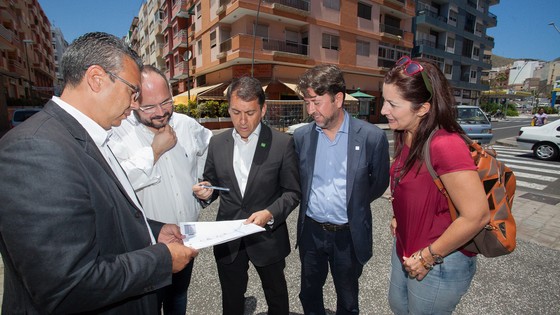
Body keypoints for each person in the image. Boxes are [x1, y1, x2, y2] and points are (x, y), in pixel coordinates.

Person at [0, 32, 198, 314]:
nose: (134, 105)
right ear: (96, 79)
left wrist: (154, 230)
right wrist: (161, 259)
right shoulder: (36, 148)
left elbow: (104, 216)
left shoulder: (90, 136)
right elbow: (67, 285)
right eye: (132, 92)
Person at [381, 55, 490, 314]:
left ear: (423, 108)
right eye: (384, 100)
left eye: (392, 104)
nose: (384, 110)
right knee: (398, 307)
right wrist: (400, 216)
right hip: (406, 248)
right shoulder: (404, 134)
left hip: (439, 260)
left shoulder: (445, 145)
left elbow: (477, 216)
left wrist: (428, 257)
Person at [192, 76, 301, 315]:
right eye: (235, 112)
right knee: (231, 299)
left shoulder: (282, 144)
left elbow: (292, 192)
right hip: (228, 237)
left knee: (277, 296)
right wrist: (206, 191)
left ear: (262, 109)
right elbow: (212, 183)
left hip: (267, 235)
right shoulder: (217, 143)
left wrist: (270, 213)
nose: (242, 121)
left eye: (250, 113)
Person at [111, 65, 213, 315]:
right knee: (148, 306)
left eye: (166, 101)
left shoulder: (187, 125)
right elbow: (115, 185)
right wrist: (155, 151)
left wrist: (206, 183)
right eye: (149, 106)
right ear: (134, 101)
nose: (161, 112)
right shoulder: (117, 133)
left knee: (179, 300)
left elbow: (208, 152)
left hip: (186, 238)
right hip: (145, 247)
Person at [294, 64, 390, 314]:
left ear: (338, 99)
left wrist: (353, 202)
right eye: (307, 102)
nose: (310, 110)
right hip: (311, 233)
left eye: (316, 102)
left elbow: (378, 184)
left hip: (348, 235)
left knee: (347, 300)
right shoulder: (302, 137)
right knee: (309, 293)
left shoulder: (371, 137)